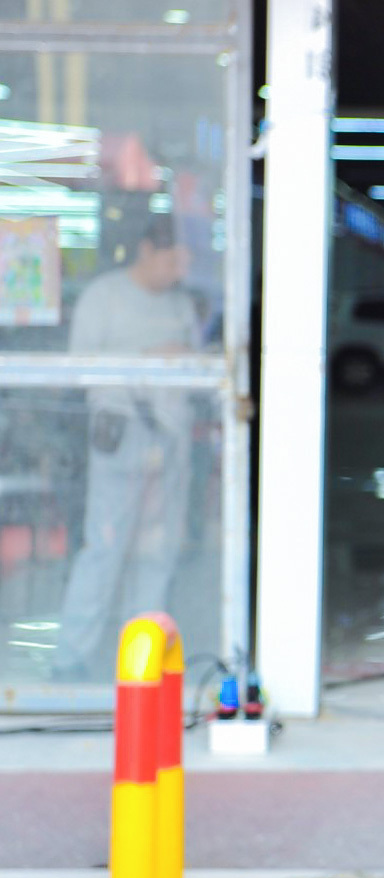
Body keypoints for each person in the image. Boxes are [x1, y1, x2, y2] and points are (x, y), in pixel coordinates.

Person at [54, 215, 197, 681]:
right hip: (118, 437)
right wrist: (146, 360)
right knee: (105, 547)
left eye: (183, 264)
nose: (177, 272)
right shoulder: (104, 297)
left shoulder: (180, 303)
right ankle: (71, 658)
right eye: (171, 261)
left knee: (159, 551)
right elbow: (78, 368)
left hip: (170, 440)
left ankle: (142, 658)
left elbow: (201, 367)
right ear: (146, 251)